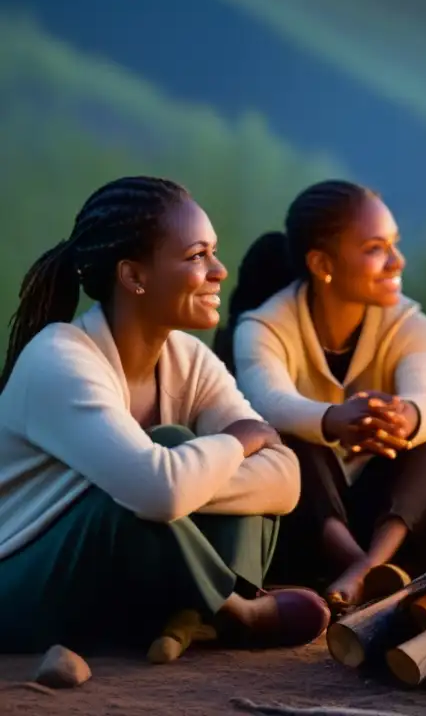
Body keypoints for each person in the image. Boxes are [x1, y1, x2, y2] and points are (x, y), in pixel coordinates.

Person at [0, 176, 331, 654]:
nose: (218, 270)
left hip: (110, 588)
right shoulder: (59, 358)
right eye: (197, 256)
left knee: (178, 458)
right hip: (20, 584)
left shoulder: (188, 359)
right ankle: (238, 612)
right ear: (134, 277)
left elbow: (285, 478)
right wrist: (234, 445)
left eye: (212, 253)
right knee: (136, 486)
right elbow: (158, 489)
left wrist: (182, 481)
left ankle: (189, 614)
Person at [217, 180, 426, 611]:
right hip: (306, 533)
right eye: (375, 248)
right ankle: (359, 567)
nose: (396, 261)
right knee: (283, 436)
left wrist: (404, 418)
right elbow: (266, 397)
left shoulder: (410, 325)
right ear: (323, 264)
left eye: (394, 245)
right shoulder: (265, 327)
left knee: (425, 440)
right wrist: (332, 419)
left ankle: (368, 569)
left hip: (385, 523)